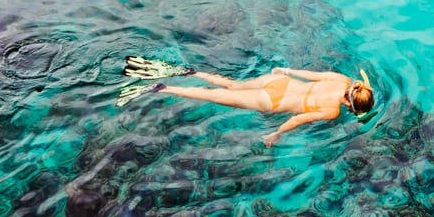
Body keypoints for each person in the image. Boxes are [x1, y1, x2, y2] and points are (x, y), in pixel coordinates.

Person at [117, 57, 374, 147]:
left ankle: (189, 73)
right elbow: (297, 119)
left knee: (231, 84)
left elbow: (311, 75)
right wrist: (275, 134)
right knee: (215, 97)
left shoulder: (341, 79)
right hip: (271, 100)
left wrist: (284, 70)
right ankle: (161, 88)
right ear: (352, 107)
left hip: (277, 83)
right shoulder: (331, 112)